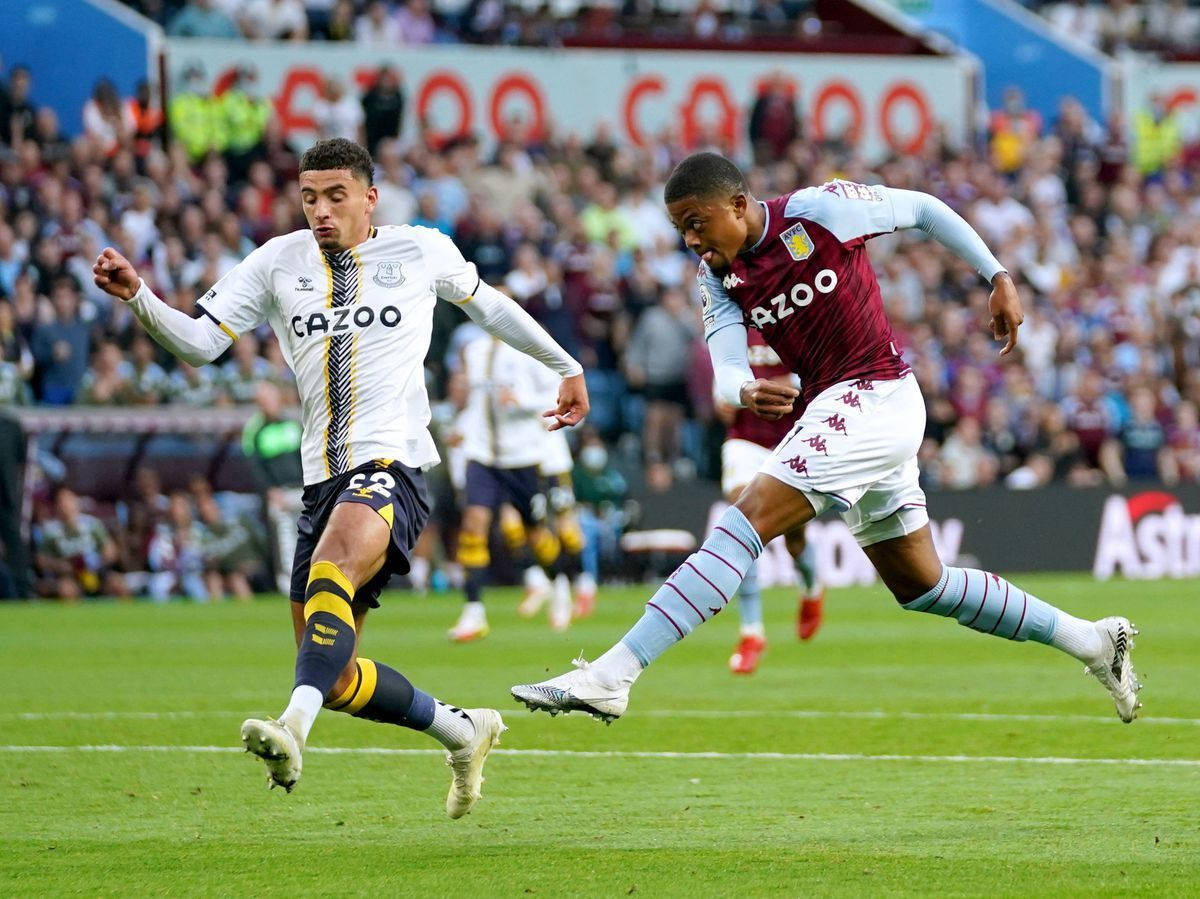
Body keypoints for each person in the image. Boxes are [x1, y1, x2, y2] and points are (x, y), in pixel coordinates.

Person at [512, 151, 1141, 727]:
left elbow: (920, 208)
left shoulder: (821, 210)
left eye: (698, 223)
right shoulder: (717, 280)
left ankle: (613, 674)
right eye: (682, 229)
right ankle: (1091, 640)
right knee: (924, 584)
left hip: (875, 392)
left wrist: (996, 274)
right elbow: (728, 366)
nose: (693, 241)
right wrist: (743, 392)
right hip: (851, 411)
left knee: (746, 521)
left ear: (738, 204)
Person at [93, 137, 588, 815]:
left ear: (369, 198)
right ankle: (462, 728)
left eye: (335, 196)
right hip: (320, 481)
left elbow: (491, 307)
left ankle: (292, 729)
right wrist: (139, 296)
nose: (320, 211)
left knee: (329, 584)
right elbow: (201, 343)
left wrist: (567, 365)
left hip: (393, 466)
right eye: (309, 198)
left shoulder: (420, 249)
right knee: (333, 671)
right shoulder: (276, 261)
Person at [448, 332, 573, 641]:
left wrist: (521, 402)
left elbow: (556, 398)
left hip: (523, 456)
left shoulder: (531, 347)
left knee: (535, 532)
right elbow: (475, 403)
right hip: (482, 455)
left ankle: (559, 585)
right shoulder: (474, 350)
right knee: (473, 524)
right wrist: (461, 428)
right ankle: (473, 611)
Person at [717, 328, 824, 676]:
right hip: (745, 440)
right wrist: (727, 396)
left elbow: (811, 378)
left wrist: (778, 382)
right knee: (740, 526)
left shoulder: (792, 317)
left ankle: (811, 584)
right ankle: (751, 633)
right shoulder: (731, 326)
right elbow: (723, 396)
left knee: (795, 540)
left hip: (792, 439)